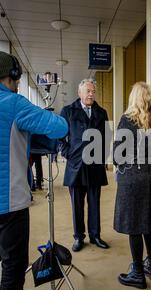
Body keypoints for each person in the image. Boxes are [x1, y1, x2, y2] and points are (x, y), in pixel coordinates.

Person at [0, 51, 69, 290]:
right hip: (8, 200)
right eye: (18, 78)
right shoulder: (14, 103)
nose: (18, 83)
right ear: (12, 75)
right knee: (14, 265)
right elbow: (59, 127)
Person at [113, 82, 151, 289]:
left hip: (132, 176)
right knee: (148, 222)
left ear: (133, 98)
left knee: (134, 225)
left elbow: (118, 155)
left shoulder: (127, 121)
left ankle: (137, 272)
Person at [60, 79, 110, 252]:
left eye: (93, 91)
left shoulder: (101, 113)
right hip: (76, 166)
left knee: (94, 203)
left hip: (95, 165)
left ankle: (95, 235)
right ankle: (79, 237)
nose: (91, 94)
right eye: (88, 91)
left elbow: (107, 138)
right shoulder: (67, 112)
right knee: (77, 205)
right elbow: (60, 138)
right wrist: (68, 153)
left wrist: (102, 157)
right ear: (79, 93)